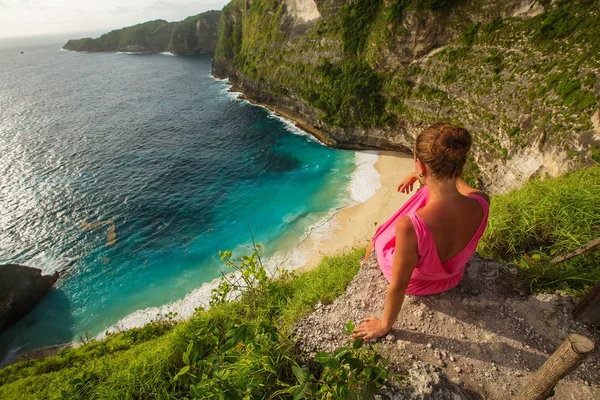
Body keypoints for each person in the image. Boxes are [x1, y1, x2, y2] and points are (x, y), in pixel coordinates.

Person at [352, 122, 490, 340]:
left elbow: (398, 285)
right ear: (459, 164)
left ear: (420, 165)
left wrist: (384, 325)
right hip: (452, 276)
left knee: (380, 236)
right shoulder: (482, 201)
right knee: (433, 194)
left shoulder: (410, 226)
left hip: (420, 283)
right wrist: (419, 176)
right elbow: (455, 186)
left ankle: (364, 261)